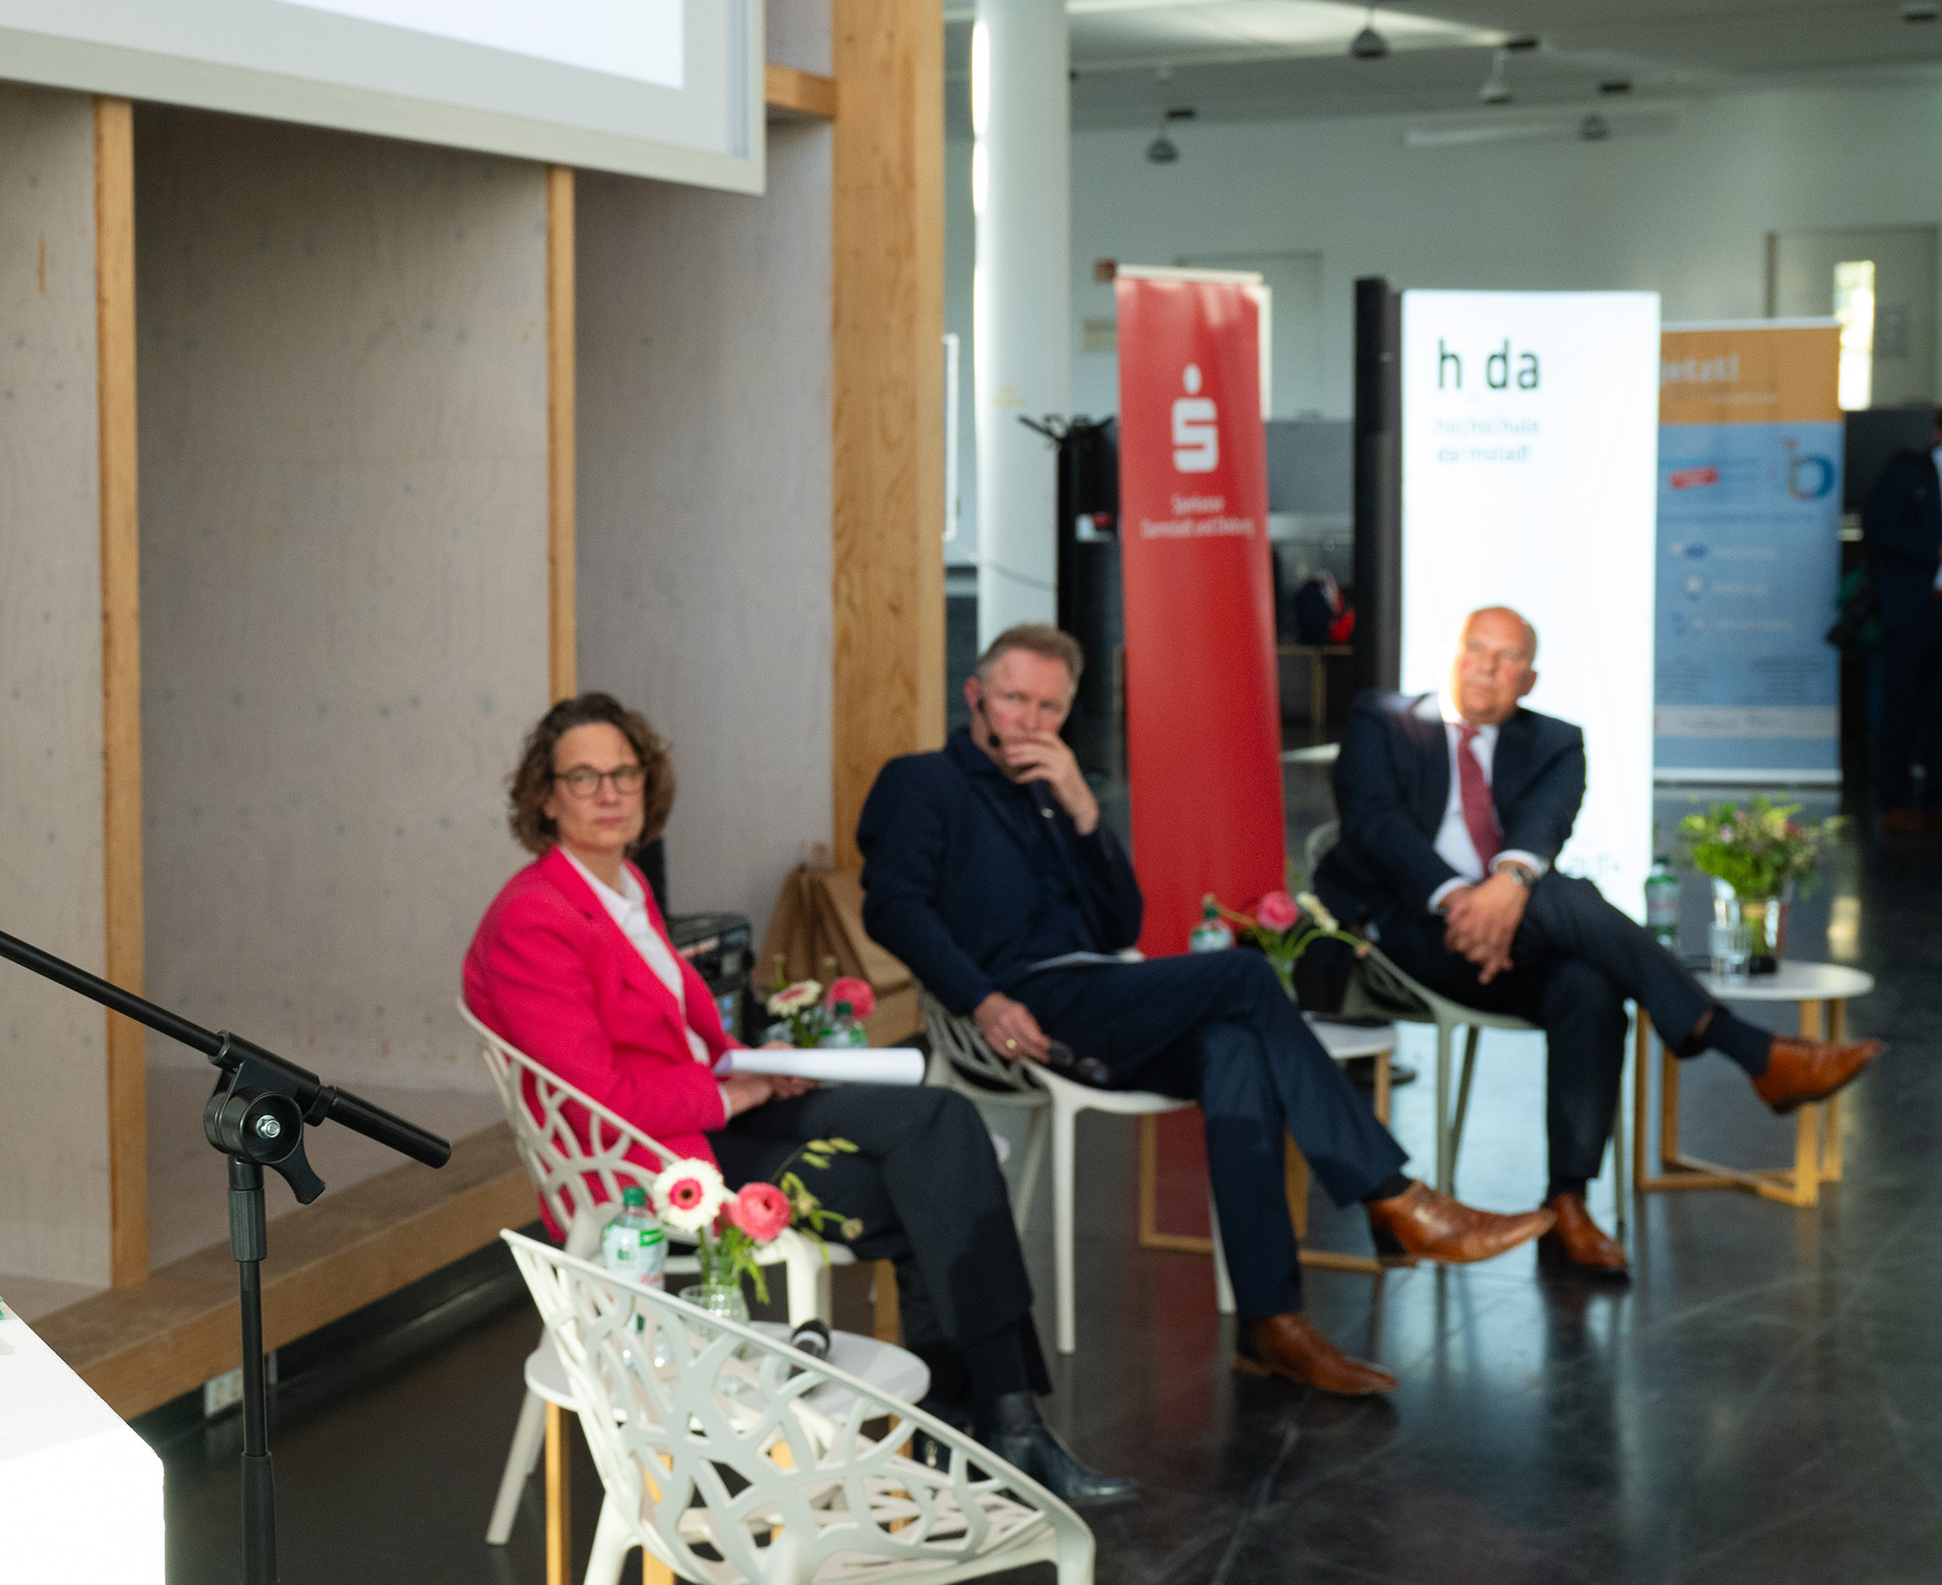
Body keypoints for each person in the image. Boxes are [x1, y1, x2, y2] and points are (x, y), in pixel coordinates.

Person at [463, 692, 1134, 1504]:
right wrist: (734, 1091)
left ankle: (982, 1431)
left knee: (943, 1118)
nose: (609, 794)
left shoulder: (624, 886)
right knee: (937, 1188)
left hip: (711, 1105)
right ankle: (991, 1430)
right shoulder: (535, 918)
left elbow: (670, 1037)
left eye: (624, 774)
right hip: (653, 1153)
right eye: (583, 778)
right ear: (544, 796)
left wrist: (752, 1060)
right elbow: (591, 1096)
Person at [859, 624, 1552, 1400]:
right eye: (1015, 698)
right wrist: (980, 999)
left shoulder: (1054, 798)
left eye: (1050, 707)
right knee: (1243, 978)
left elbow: (1119, 927)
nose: (1030, 720)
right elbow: (892, 908)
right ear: (975, 695)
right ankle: (1394, 1197)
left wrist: (1085, 813)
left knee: (1234, 1048)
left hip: (1099, 997)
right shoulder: (922, 782)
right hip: (1021, 1005)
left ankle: (1271, 1325)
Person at [1315, 606, 1882, 1274]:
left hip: (1516, 942)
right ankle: (1748, 1049)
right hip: (1407, 936)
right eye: (1476, 649)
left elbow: (1542, 823)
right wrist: (1461, 901)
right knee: (1559, 897)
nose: (1487, 668)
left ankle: (1566, 1204)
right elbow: (1375, 827)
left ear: (1528, 680)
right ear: (1453, 652)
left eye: (1507, 659)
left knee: (1586, 983)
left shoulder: (1554, 741)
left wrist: (1504, 888)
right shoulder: (1383, 721)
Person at [1866, 421, 1942, 830]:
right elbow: (1876, 528)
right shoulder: (1910, 472)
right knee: (1901, 707)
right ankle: (1893, 800)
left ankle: (1936, 801)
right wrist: (1932, 549)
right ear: (1937, 432)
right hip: (1913, 608)